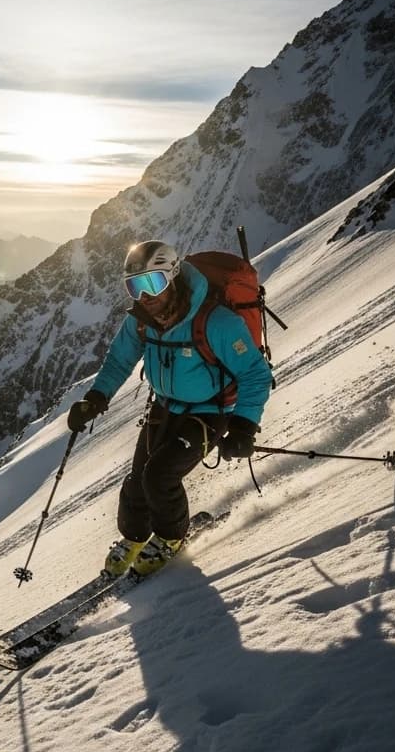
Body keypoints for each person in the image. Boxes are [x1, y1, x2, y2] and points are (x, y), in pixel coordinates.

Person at [67, 240, 273, 578]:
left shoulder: (216, 322)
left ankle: (170, 538)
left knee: (159, 476)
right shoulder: (141, 320)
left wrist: (243, 426)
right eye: (135, 286)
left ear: (173, 277)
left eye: (154, 283)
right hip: (165, 407)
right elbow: (119, 360)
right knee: (137, 483)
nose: (145, 295)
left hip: (210, 412)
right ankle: (134, 538)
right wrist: (95, 398)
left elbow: (255, 374)